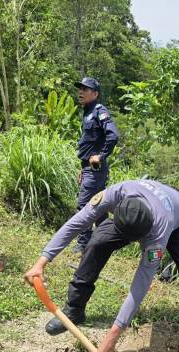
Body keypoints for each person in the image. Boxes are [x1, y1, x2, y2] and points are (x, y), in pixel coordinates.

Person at [23, 179, 179, 352]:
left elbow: (141, 282)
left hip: (177, 219)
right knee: (97, 242)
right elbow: (76, 223)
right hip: (137, 212)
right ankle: (74, 309)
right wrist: (41, 263)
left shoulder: (157, 234)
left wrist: (113, 335)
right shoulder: (115, 194)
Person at [71, 77, 120, 253]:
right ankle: (106, 241)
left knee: (85, 205)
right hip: (89, 169)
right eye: (80, 88)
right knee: (99, 207)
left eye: (86, 89)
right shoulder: (87, 112)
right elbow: (91, 142)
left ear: (95, 93)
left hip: (95, 170)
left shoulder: (100, 111)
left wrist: (101, 156)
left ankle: (83, 244)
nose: (81, 92)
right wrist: (83, 167)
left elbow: (113, 136)